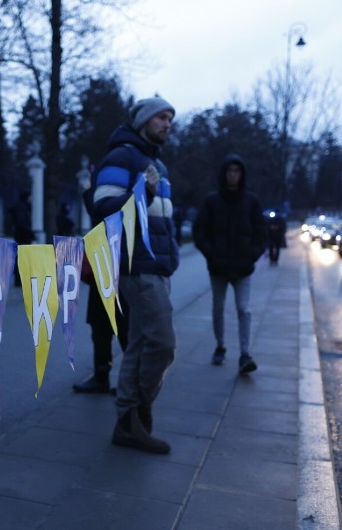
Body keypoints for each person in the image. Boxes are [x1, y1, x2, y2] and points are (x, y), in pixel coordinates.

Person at [90, 95, 180, 454]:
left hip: (156, 265)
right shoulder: (122, 157)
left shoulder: (158, 164)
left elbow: (163, 222)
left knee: (142, 345)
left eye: (170, 119)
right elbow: (102, 208)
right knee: (163, 344)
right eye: (161, 117)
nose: (167, 124)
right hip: (134, 264)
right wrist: (142, 190)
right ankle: (137, 410)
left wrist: (170, 257)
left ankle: (127, 424)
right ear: (143, 120)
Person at [192, 154, 267, 373]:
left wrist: (252, 254)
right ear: (224, 174)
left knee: (244, 309)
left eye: (237, 171)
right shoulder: (212, 201)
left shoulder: (251, 201)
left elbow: (261, 233)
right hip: (219, 267)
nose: (233, 175)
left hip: (243, 267)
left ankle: (245, 354)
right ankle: (220, 346)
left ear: (242, 174)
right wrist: (211, 253)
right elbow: (200, 230)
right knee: (218, 308)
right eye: (230, 171)